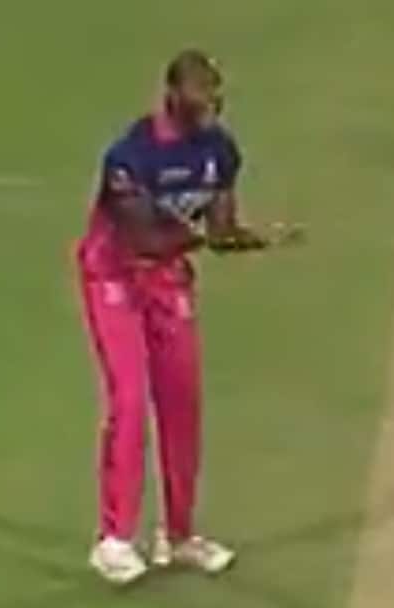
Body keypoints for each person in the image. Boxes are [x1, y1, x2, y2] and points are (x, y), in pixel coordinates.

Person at [76, 49, 287, 583]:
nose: (210, 105)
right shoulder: (130, 157)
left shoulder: (219, 150)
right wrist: (208, 240)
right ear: (171, 95)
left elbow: (220, 227)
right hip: (113, 277)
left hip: (167, 280)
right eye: (200, 95)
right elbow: (141, 238)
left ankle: (180, 533)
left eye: (215, 94)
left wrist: (253, 238)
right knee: (129, 399)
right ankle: (114, 540)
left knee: (182, 402)